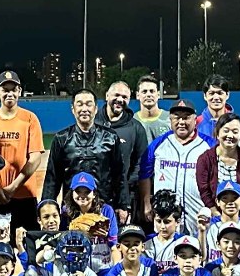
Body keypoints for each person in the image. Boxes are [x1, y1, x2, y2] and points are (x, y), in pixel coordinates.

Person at [43, 88, 130, 219]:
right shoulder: (62, 139)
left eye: (89, 104)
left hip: (103, 207)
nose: (84, 109)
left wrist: (122, 205)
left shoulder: (110, 137)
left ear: (95, 109)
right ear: (73, 109)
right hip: (71, 209)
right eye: (80, 104)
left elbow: (119, 174)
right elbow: (52, 177)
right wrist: (46, 206)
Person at [139, 98, 215, 233]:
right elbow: (144, 173)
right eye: (177, 117)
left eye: (186, 118)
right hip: (165, 217)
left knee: (200, 242)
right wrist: (146, 203)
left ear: (195, 120)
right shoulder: (159, 144)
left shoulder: (209, 145)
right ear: (170, 119)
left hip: (197, 211)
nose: (181, 122)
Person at [0, 71, 46, 231]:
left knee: (27, 240)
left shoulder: (30, 118)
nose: (9, 94)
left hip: (24, 194)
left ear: (19, 91)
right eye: (5, 90)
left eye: (13, 90)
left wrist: (13, 187)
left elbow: (35, 158)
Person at [96, 80, 150, 218]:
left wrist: (125, 193)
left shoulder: (136, 128)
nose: (120, 100)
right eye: (116, 95)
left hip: (123, 202)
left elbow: (140, 164)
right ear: (107, 95)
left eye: (125, 97)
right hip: (93, 198)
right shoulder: (93, 123)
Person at [197, 113, 240, 215]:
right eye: (226, 131)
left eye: (235, 132)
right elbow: (204, 192)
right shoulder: (204, 159)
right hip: (215, 215)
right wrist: (217, 216)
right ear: (217, 133)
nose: (230, 135)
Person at [203, 181, 240, 266]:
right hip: (215, 273)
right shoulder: (209, 224)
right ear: (217, 202)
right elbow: (198, 254)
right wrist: (201, 231)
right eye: (225, 198)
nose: (230, 202)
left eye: (234, 198)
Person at [134, 74, 171, 140]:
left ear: (158, 94)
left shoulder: (170, 119)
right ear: (137, 95)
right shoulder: (132, 121)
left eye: (152, 91)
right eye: (144, 92)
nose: (148, 94)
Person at [195, 76, 233, 140]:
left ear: (227, 95)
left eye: (220, 93)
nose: (216, 97)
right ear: (205, 96)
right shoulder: (196, 123)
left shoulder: (235, 123)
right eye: (211, 93)